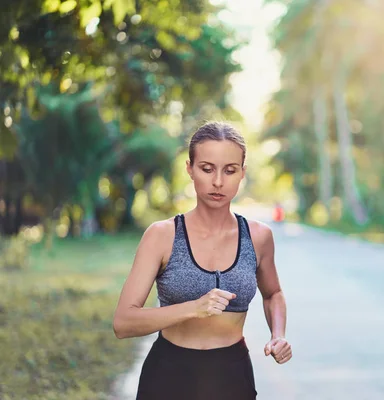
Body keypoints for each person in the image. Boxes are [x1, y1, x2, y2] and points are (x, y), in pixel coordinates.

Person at [112, 121, 292, 400]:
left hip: (233, 377)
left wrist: (277, 334)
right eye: (207, 169)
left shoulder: (258, 237)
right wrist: (194, 307)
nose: (218, 182)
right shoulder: (162, 235)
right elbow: (124, 322)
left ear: (242, 173)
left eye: (229, 170)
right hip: (167, 376)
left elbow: (273, 293)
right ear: (190, 169)